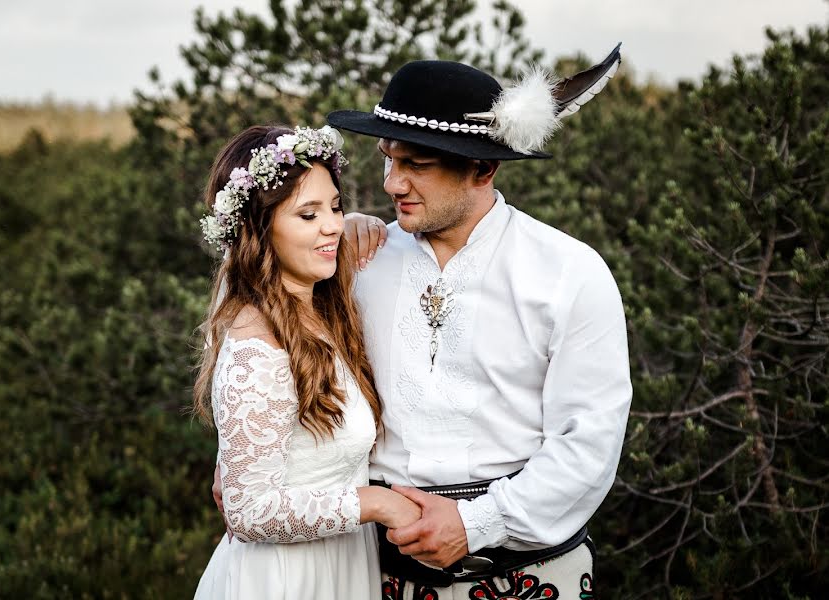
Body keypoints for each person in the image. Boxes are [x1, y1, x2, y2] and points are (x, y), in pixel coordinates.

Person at [215, 47, 631, 599]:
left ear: (483, 167)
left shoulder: (569, 274)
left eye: (416, 165)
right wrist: (240, 464)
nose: (392, 183)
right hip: (373, 577)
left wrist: (476, 524)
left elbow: (589, 443)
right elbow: (263, 343)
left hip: (528, 574)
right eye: (388, 159)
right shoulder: (356, 262)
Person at [193, 124, 421, 600]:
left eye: (335, 207)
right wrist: (374, 504)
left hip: (341, 568)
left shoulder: (317, 309)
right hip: (285, 580)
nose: (332, 226)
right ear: (259, 228)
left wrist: (351, 220)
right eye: (308, 214)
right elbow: (248, 511)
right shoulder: (256, 347)